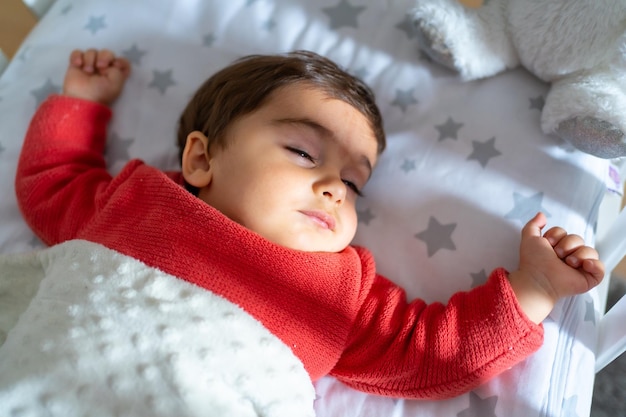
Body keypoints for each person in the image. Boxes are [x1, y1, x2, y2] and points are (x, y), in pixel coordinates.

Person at [15, 48, 604, 400]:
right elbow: (51, 183)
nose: (332, 188)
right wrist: (82, 102)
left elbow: (428, 352)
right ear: (200, 160)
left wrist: (536, 287)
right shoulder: (139, 201)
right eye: (302, 152)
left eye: (353, 184)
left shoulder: (341, 289)